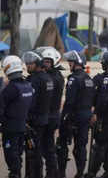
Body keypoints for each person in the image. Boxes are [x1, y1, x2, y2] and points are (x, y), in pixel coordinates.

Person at [59, 50, 95, 178]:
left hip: (74, 116)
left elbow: (69, 101)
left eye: (70, 62)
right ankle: (80, 173)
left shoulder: (73, 79)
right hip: (86, 116)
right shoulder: (89, 79)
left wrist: (63, 117)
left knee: (61, 144)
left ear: (76, 63)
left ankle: (61, 173)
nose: (69, 64)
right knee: (81, 146)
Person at [22, 51, 55, 178]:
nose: (27, 66)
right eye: (27, 64)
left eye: (30, 64)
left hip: (34, 121)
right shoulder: (47, 77)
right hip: (45, 118)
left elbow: (31, 102)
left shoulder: (35, 80)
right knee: (43, 150)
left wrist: (26, 118)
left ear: (37, 64)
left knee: (33, 152)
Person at [0, 56, 34, 178]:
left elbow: (1, 108)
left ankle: (15, 174)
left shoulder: (10, 89)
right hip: (22, 126)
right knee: (18, 154)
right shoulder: (28, 85)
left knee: (11, 155)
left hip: (10, 128)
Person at [40, 47, 65, 178]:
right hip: (52, 115)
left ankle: (52, 173)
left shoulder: (52, 77)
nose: (45, 64)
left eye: (48, 62)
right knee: (48, 146)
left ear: (54, 62)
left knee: (47, 147)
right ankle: (53, 172)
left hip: (50, 115)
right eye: (44, 61)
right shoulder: (57, 76)